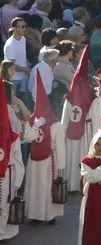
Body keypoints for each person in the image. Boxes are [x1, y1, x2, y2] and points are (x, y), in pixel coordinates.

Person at [24, 72, 65, 224]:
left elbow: (59, 144)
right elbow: (28, 139)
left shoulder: (55, 123)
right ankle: (36, 215)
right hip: (34, 159)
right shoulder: (31, 121)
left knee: (48, 188)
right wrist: (34, 127)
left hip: (49, 159)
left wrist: (61, 166)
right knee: (35, 187)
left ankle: (50, 215)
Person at [61, 48, 101, 194]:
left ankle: (72, 185)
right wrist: (98, 135)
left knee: (72, 158)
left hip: (71, 133)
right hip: (86, 131)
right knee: (80, 157)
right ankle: (81, 184)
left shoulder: (69, 97)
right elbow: (97, 117)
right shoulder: (92, 97)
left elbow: (64, 119)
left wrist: (62, 134)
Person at [0, 77, 24, 242]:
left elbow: (18, 160)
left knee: (4, 206)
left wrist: (17, 182)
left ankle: (2, 234)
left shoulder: (13, 138)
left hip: (7, 174)